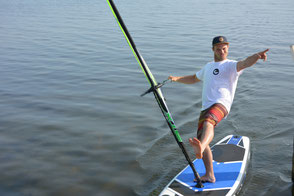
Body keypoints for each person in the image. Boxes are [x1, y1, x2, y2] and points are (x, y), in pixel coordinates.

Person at [168, 36, 269, 183]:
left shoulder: (231, 65)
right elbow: (193, 78)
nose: (222, 51)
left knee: (209, 123)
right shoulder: (208, 67)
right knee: (204, 137)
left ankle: (200, 148)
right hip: (206, 107)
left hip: (221, 104)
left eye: (224, 48)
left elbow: (246, 62)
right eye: (218, 48)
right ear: (213, 50)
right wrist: (177, 78)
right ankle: (210, 175)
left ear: (227, 49)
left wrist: (257, 56)